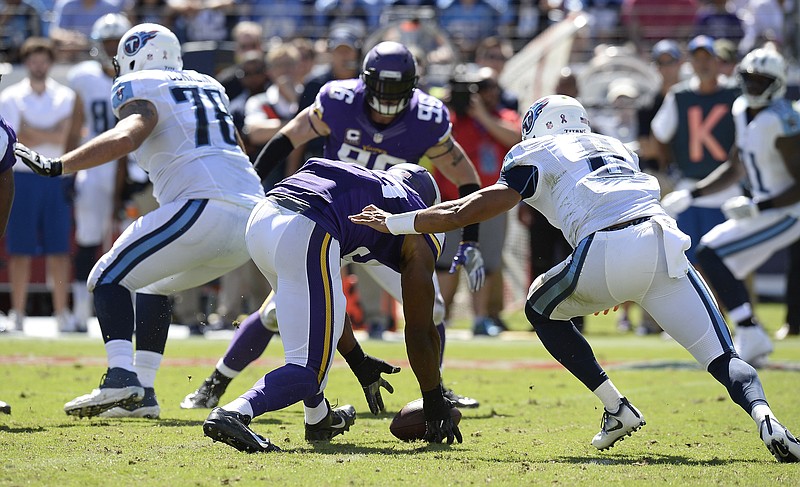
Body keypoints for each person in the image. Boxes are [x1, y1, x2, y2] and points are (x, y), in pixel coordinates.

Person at [350, 94, 800, 462]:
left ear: (537, 127)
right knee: (722, 356)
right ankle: (766, 419)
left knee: (537, 307)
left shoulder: (535, 151)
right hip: (665, 244)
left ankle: (616, 408)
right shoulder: (616, 144)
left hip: (607, 246)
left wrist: (398, 222)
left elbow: (477, 206)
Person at [181, 41, 484, 411]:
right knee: (277, 312)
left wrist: (473, 239)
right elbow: (286, 138)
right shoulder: (338, 102)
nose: (387, 105)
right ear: (364, 82)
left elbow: (466, 177)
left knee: (430, 308)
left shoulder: (427, 118)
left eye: (396, 94)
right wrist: (252, 187)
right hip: (331, 224)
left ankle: (433, 388)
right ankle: (216, 382)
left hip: (389, 228)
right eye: (380, 92)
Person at [14, 23, 266, 419]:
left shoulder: (139, 85)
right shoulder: (209, 85)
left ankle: (120, 376)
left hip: (204, 205)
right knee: (151, 285)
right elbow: (233, 139)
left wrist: (60, 165)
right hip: (251, 216)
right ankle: (144, 392)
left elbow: (131, 133)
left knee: (105, 275)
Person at [202, 160, 462, 451]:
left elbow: (331, 302)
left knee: (307, 342)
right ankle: (235, 412)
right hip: (308, 227)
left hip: (264, 218)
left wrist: (359, 360)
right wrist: (434, 398)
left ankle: (318, 418)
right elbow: (419, 328)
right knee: (309, 368)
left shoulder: (368, 186)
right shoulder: (417, 222)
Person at [662, 47, 798, 366]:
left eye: (760, 82)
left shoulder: (783, 120)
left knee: (712, 253)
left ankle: (750, 333)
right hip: (766, 209)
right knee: (710, 254)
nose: (752, 88)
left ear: (776, 84)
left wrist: (761, 205)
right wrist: (693, 194)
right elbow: (735, 166)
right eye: (748, 81)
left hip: (789, 213)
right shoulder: (740, 109)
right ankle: (750, 332)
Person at [0, 37, 82, 333]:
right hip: (20, 177)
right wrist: (50, 131)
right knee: (18, 250)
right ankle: (17, 313)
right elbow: (17, 139)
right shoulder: (9, 95)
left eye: (43, 59)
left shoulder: (67, 96)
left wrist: (34, 131)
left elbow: (67, 137)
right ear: (26, 63)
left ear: (50, 62)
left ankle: (62, 313)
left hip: (54, 177)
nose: (38, 64)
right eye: (33, 59)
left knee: (59, 249)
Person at [436, 65, 520, 336]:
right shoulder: (449, 116)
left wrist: (482, 116)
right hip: (452, 200)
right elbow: (432, 133)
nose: (490, 93)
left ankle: (480, 318)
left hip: (492, 201)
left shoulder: (503, 116)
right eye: (482, 88)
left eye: (493, 87)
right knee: (445, 263)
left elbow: (517, 139)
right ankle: (439, 317)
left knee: (484, 262)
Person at [66, 13, 132, 332]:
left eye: (114, 42)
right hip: (94, 164)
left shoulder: (139, 78)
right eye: (105, 42)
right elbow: (74, 123)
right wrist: (67, 171)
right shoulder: (84, 77)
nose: (109, 48)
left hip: (134, 167)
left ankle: (131, 315)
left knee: (133, 241)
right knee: (88, 239)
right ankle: (80, 313)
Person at [651, 35, 740, 264]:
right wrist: (669, 164)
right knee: (687, 265)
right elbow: (659, 134)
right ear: (690, 63)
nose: (703, 64)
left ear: (717, 61)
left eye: (708, 58)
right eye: (697, 59)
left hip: (728, 189)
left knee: (728, 266)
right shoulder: (680, 96)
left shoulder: (735, 94)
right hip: (689, 188)